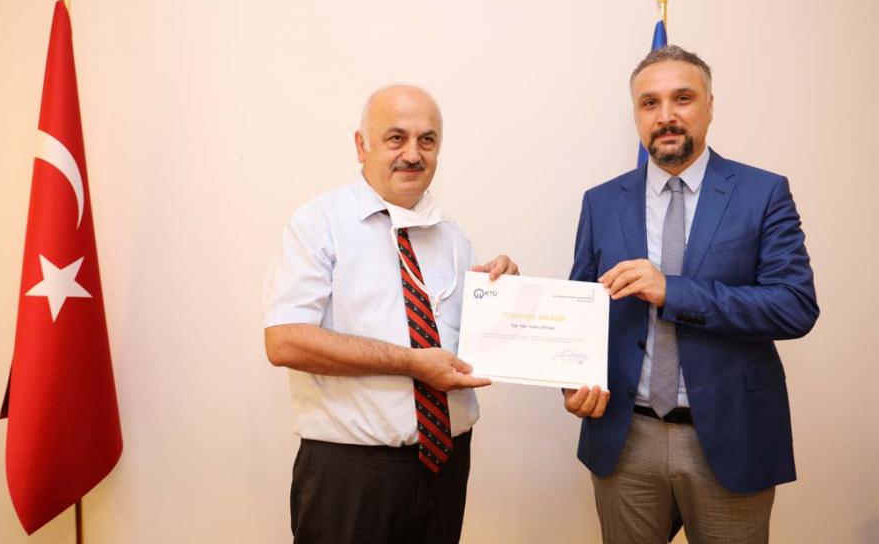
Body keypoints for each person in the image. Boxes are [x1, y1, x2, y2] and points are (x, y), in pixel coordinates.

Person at [562, 45, 819, 543]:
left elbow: (795, 306)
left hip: (730, 437)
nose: (666, 116)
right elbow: (581, 309)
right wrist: (571, 382)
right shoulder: (601, 201)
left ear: (710, 105)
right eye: (649, 103)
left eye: (682, 98)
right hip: (625, 439)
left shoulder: (763, 193)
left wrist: (673, 291)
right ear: (636, 114)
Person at [263, 84, 518, 544]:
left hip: (445, 465)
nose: (413, 154)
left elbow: (467, 347)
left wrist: (504, 296)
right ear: (361, 145)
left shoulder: (452, 236)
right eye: (396, 138)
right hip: (350, 472)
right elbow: (285, 341)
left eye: (427, 140)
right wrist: (411, 362)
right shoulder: (319, 224)